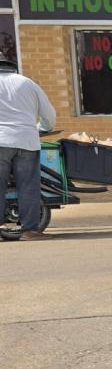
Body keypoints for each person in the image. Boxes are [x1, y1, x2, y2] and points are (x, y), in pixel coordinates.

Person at [0, 55, 57, 240]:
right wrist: (44, 128)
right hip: (27, 141)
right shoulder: (27, 83)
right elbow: (48, 113)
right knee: (28, 187)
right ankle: (30, 231)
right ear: (12, 68)